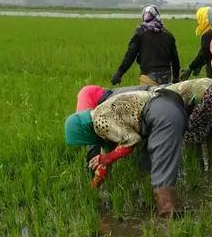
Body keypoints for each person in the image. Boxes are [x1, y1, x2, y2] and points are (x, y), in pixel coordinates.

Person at [64, 89, 186, 217]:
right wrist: (93, 186)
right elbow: (104, 164)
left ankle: (169, 218)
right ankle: (159, 204)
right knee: (146, 163)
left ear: (83, 131)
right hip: (166, 107)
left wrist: (108, 158)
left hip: (161, 115)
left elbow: (131, 141)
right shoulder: (101, 115)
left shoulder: (99, 121)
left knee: (162, 169)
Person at [165, 78, 212, 170]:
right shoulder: (174, 89)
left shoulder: (163, 98)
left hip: (210, 94)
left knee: (191, 135)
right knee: (211, 134)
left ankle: (197, 169)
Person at [111, 5, 180, 86]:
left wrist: (119, 73)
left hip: (148, 76)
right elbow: (175, 60)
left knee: (148, 98)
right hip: (166, 76)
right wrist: (175, 78)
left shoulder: (140, 33)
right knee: (164, 98)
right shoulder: (168, 35)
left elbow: (130, 55)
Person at [180, 7, 212, 80]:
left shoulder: (209, 33)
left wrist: (190, 67)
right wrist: (199, 65)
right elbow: (209, 54)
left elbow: (204, 53)